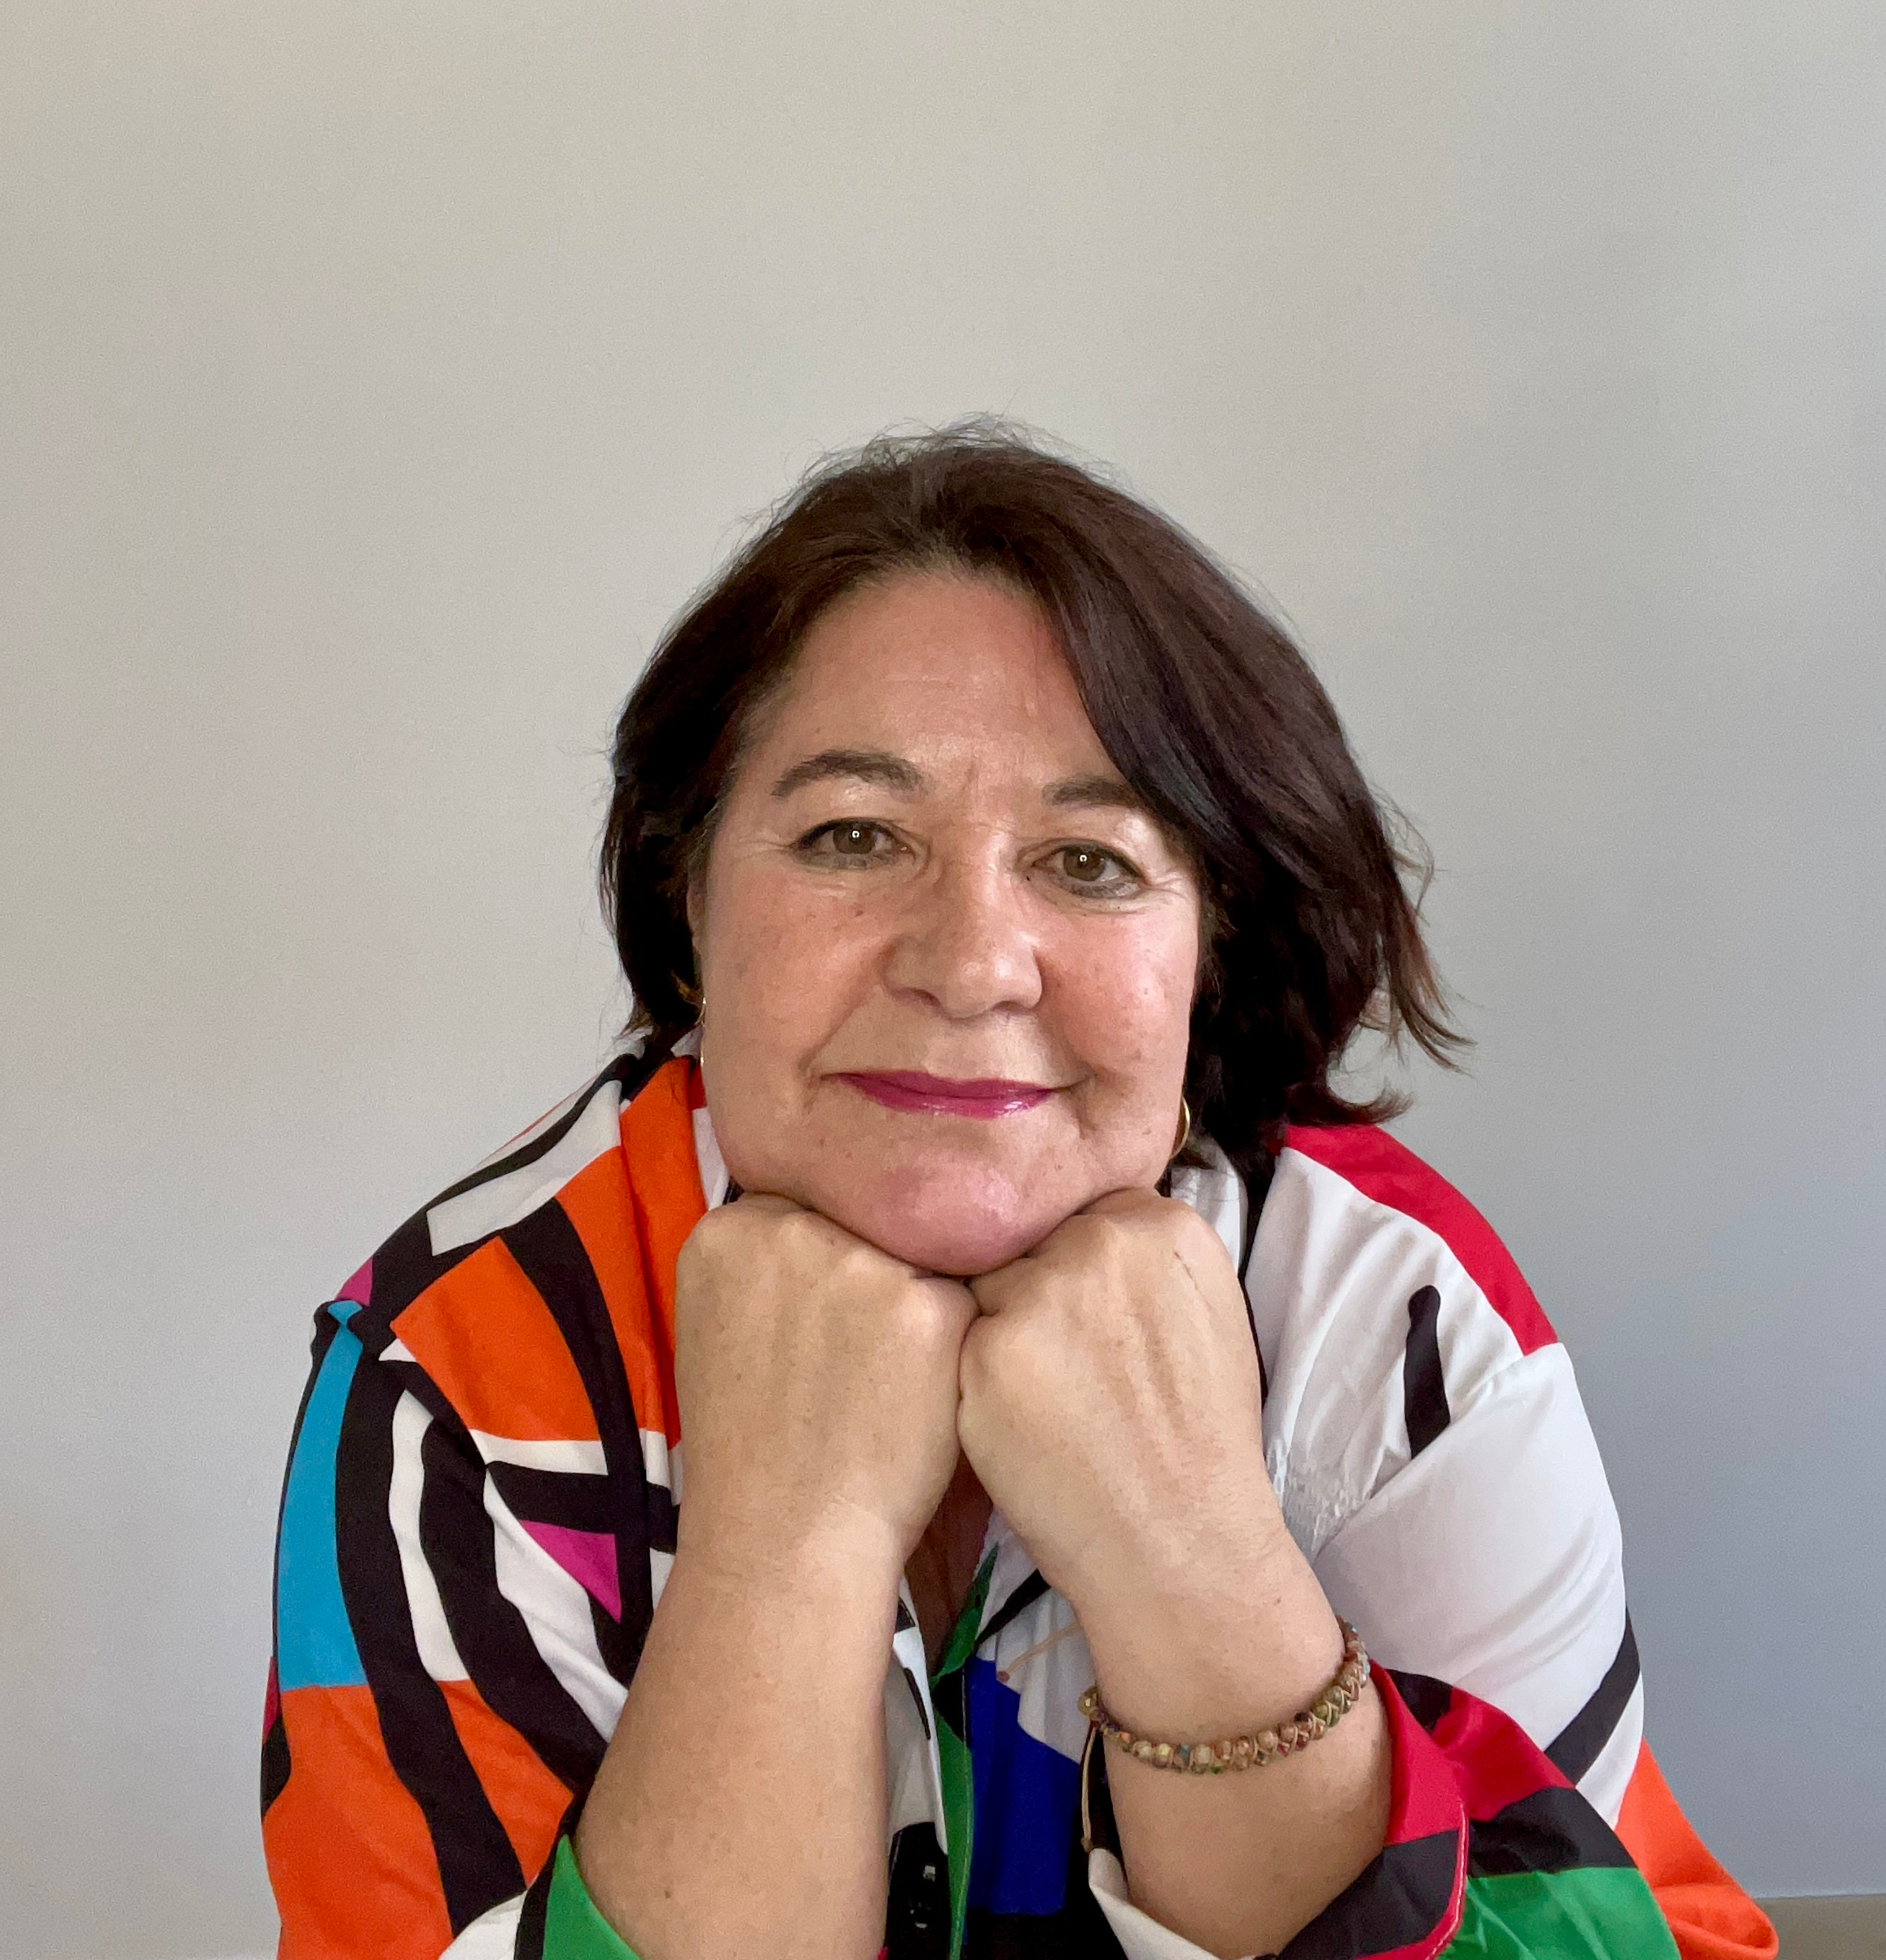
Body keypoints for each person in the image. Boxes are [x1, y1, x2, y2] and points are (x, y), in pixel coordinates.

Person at [262, 428, 1775, 1960]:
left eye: (1090, 860)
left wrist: (1194, 1555)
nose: (973, 961)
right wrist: (780, 1556)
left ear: (1213, 946)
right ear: (686, 904)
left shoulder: (1401, 1320)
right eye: (854, 836)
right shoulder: (453, 1368)